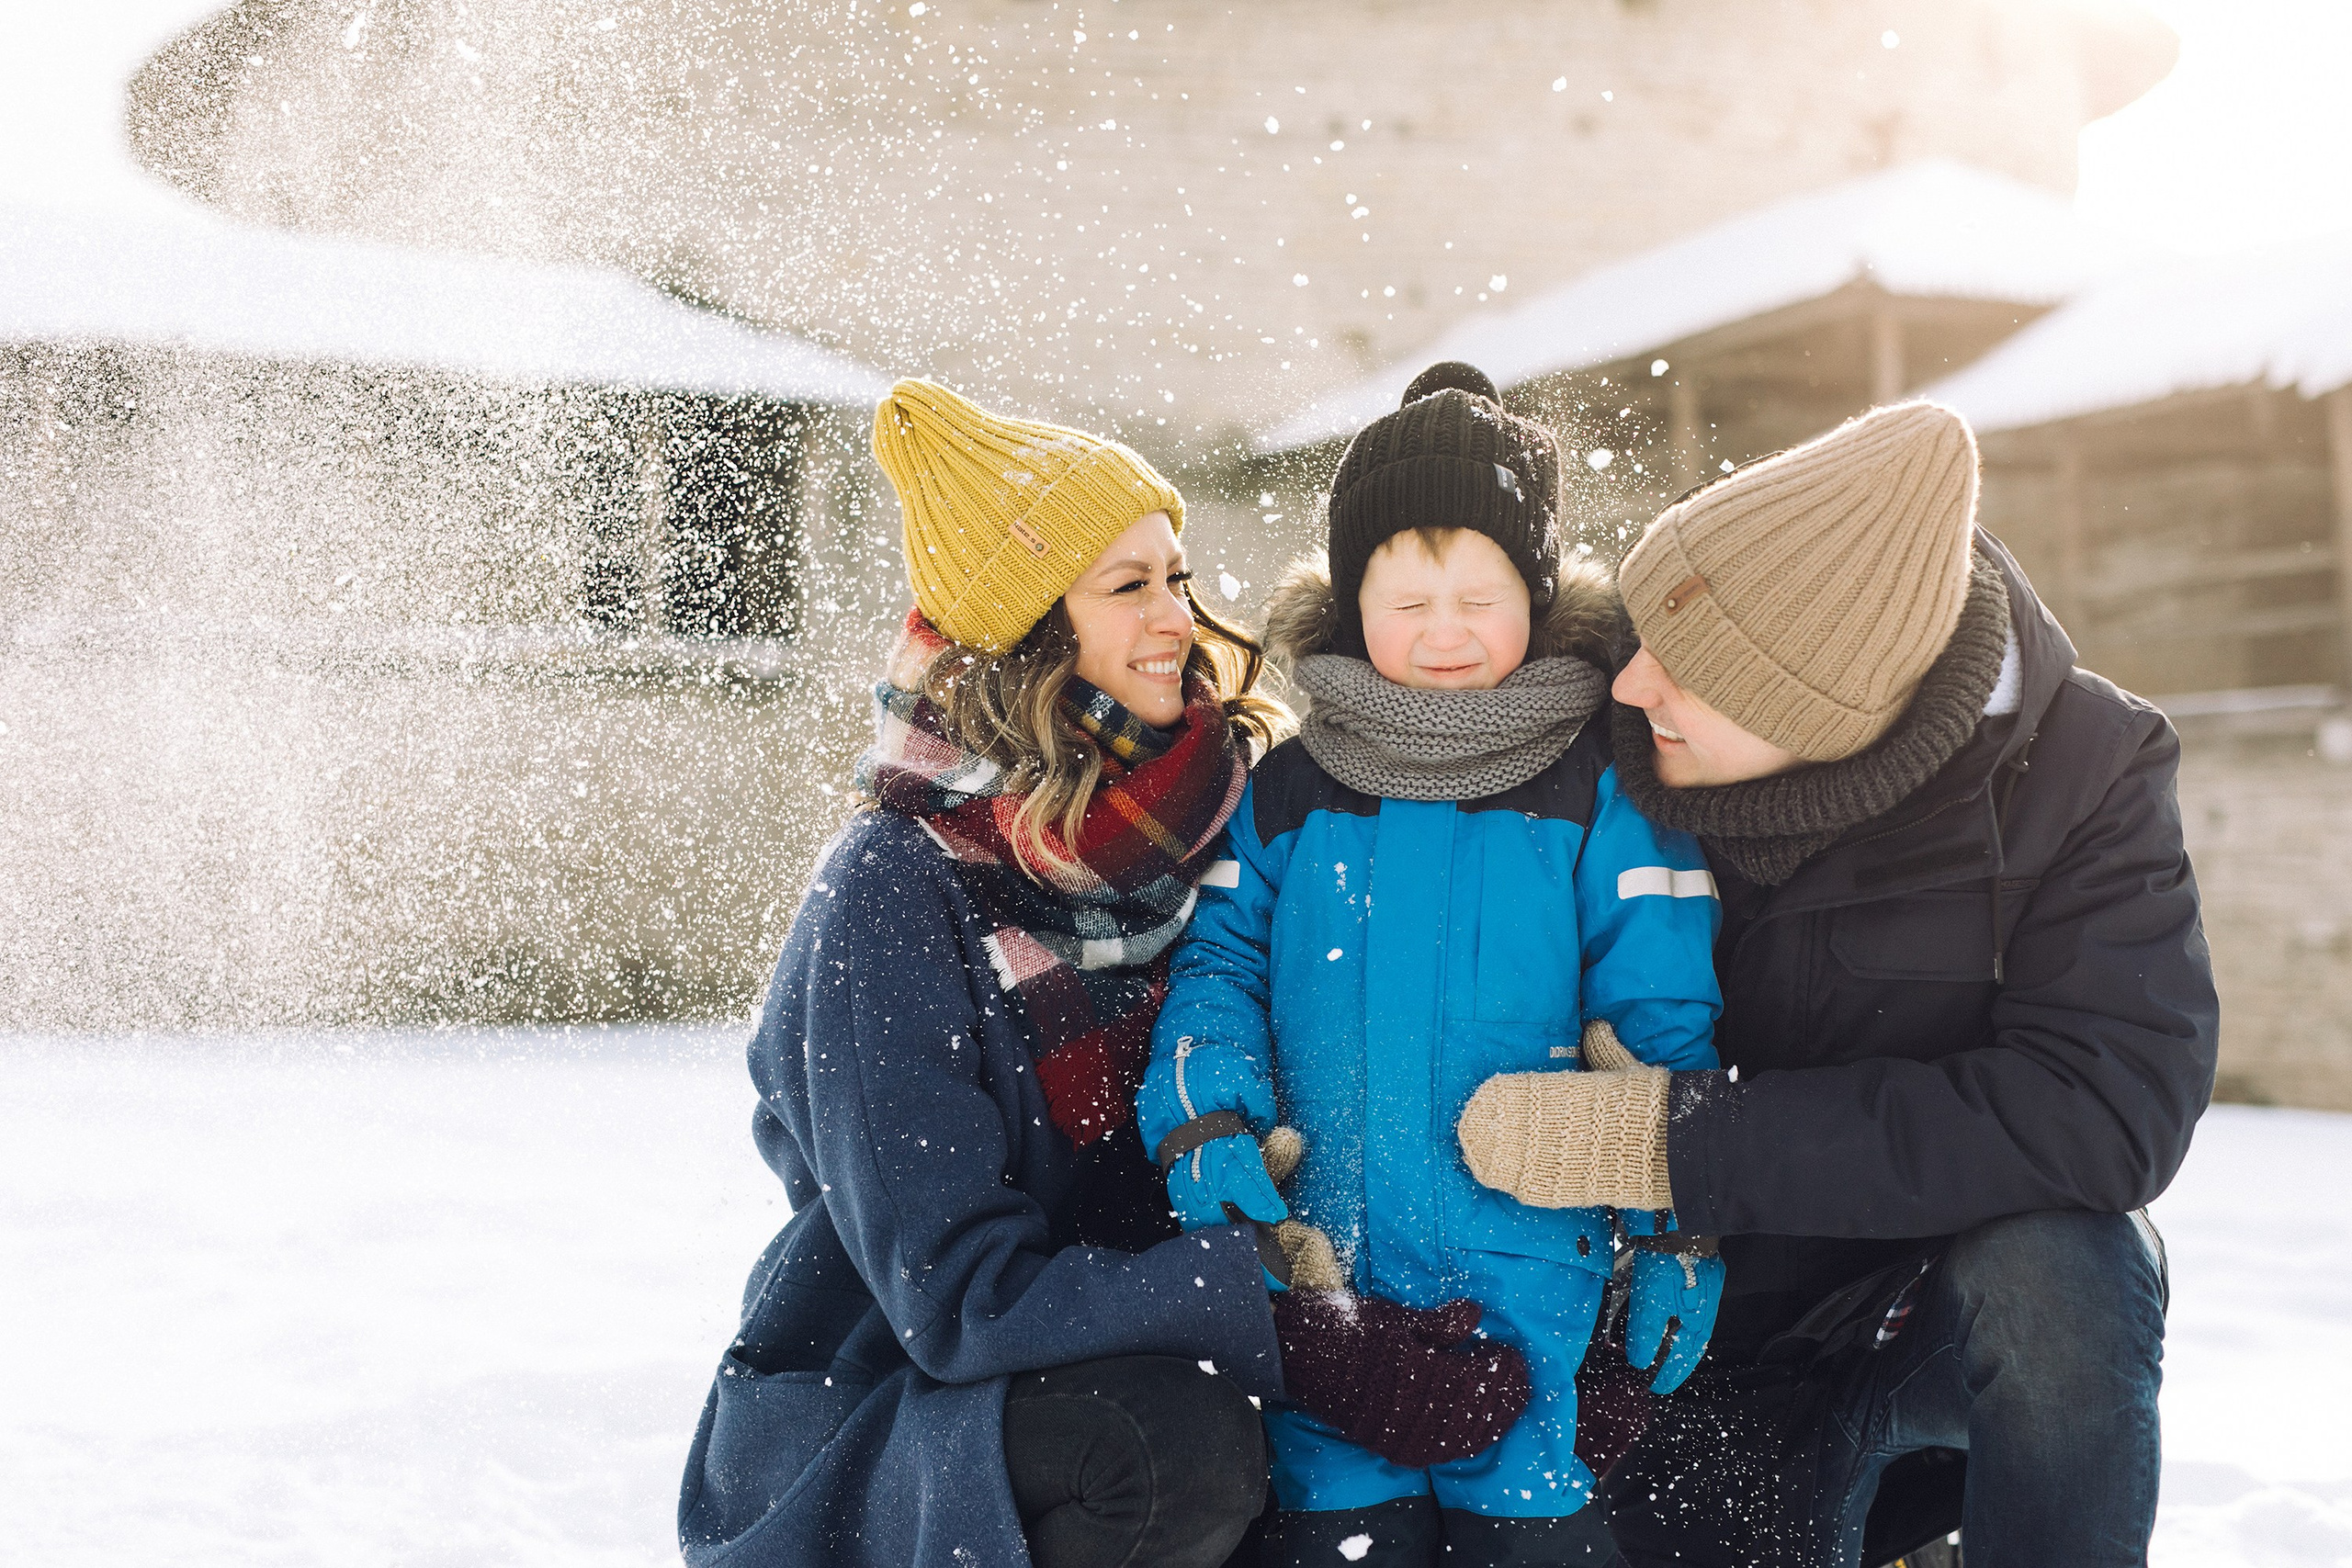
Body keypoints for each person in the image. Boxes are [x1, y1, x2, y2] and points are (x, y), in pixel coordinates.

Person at [677, 378, 1532, 1568]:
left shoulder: (1235, 811)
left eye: (1175, 576)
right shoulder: (892, 893)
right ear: (1029, 628)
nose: (1175, 615)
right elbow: (961, 1293)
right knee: (1176, 1440)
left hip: (1184, 1313)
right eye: (1127, 586)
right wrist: (1292, 1330)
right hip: (923, 1403)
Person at [1456, 401, 2218, 1568]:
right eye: (1642, 633)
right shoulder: (1604, 711)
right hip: (1658, 1332)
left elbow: (2107, 1109)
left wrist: (1681, 1143)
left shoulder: (2079, 774)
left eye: (1688, 671)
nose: (1630, 684)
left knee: (2068, 1269)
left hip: (1898, 1312)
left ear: (1826, 716)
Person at [1141, 362, 1725, 1568]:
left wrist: (1679, 1225)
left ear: (1537, 592)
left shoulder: (1597, 785)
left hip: (1541, 1297)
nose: (1445, 631)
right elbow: (1218, 970)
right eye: (1407, 601)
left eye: (1478, 594)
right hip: (1331, 1290)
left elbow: (1657, 1018)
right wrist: (1207, 1118)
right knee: (1341, 1537)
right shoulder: (1290, 789)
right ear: (1354, 603)